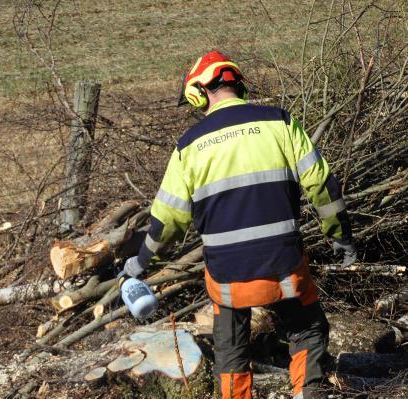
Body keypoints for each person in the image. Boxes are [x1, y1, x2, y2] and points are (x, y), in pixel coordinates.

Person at [120, 50, 356, 399]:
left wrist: (139, 265)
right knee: (307, 330)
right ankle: (309, 392)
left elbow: (167, 221)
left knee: (230, 347)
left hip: (228, 278)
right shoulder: (281, 123)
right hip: (285, 268)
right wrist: (341, 238)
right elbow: (322, 184)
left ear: (197, 92)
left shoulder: (189, 147)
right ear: (237, 84)